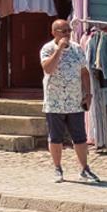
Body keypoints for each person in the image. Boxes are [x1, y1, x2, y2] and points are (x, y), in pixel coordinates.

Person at [40, 18, 98, 184]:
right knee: (56, 138)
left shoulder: (77, 49)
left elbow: (84, 72)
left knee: (80, 137)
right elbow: (48, 69)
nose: (67, 34)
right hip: (54, 101)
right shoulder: (47, 49)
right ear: (54, 33)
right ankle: (57, 169)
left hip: (74, 101)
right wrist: (59, 49)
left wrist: (88, 94)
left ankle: (84, 169)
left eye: (68, 31)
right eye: (63, 31)